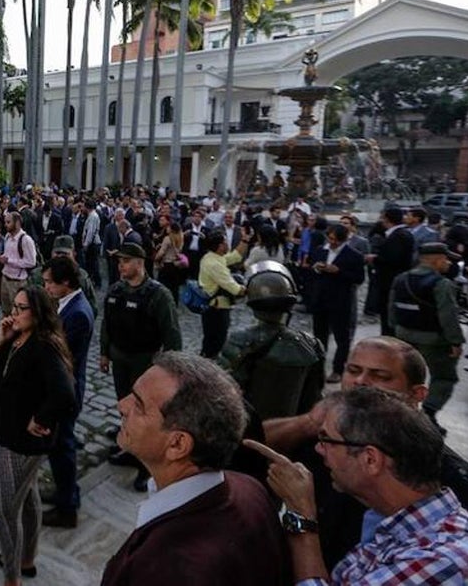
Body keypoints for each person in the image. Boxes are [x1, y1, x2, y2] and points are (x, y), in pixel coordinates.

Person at [259, 336, 468, 569]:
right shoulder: (324, 437)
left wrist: (302, 521)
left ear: (417, 394)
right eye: (353, 370)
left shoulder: (457, 484)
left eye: (380, 376)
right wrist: (307, 423)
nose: (360, 382)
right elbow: (251, 447)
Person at [100, 352, 289, 585]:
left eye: (139, 405)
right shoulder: (249, 487)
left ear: (177, 444)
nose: (121, 405)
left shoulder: (169, 571)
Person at [0, 285, 77, 584]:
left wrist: (39, 419)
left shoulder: (44, 345)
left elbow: (65, 394)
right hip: (7, 431)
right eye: (13, 307)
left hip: (20, 442)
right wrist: (1, 342)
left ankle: (12, 577)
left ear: (37, 313)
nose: (13, 314)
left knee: (3, 509)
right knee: (26, 497)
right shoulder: (16, 336)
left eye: (21, 308)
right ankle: (26, 559)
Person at [99, 242, 180, 489]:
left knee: (147, 416)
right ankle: (130, 448)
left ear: (139, 262)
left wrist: (170, 371)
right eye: (119, 261)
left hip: (145, 364)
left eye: (125, 261)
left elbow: (172, 335)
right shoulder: (116, 291)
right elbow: (107, 325)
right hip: (121, 359)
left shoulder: (158, 295)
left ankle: (146, 465)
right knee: (126, 407)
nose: (120, 266)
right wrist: (104, 353)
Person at [219, 261, 324, 420]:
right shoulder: (312, 344)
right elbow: (314, 396)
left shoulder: (240, 340)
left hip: (250, 427)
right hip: (292, 428)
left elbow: (224, 390)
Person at [39, 256, 95, 528]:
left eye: (49, 282)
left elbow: (64, 356)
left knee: (63, 447)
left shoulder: (78, 314)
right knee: (57, 446)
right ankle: (66, 492)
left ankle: (67, 508)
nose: (45, 286)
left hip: (66, 391)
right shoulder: (67, 305)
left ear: (65, 283)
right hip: (59, 387)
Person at [389, 241, 464, 428]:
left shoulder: (401, 279)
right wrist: (455, 341)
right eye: (446, 259)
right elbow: (448, 315)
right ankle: (428, 414)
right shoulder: (441, 284)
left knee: (405, 375)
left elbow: (392, 309)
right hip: (434, 340)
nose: (448, 263)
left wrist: (395, 331)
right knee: (444, 377)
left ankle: (399, 411)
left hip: (403, 336)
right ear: (437, 260)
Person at [307, 224, 366, 383]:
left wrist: (338, 272)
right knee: (319, 336)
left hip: (341, 301)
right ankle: (317, 368)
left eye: (335, 240)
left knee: (342, 337)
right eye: (330, 238)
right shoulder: (321, 250)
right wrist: (317, 268)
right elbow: (311, 271)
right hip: (321, 299)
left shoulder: (354, 255)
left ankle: (338, 369)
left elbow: (359, 278)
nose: (332, 242)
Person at [197, 230, 248, 358]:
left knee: (209, 340)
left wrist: (245, 240)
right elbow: (234, 288)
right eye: (225, 242)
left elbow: (235, 256)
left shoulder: (211, 257)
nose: (228, 245)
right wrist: (250, 288)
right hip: (217, 309)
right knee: (216, 342)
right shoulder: (215, 264)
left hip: (212, 307)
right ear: (220, 246)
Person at [368, 207, 416, 336]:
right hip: (391, 279)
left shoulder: (399, 235)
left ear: (387, 219)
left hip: (391, 281)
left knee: (389, 314)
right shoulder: (402, 234)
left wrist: (376, 259)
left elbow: (393, 258)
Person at [0, 212, 37, 318]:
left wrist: (9, 261)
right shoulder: (7, 237)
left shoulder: (26, 240)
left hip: (17, 282)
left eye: (8, 222)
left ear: (17, 223)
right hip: (5, 278)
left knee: (17, 313)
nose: (6, 224)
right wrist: (2, 258)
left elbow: (31, 262)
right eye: (5, 222)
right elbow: (8, 254)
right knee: (5, 311)